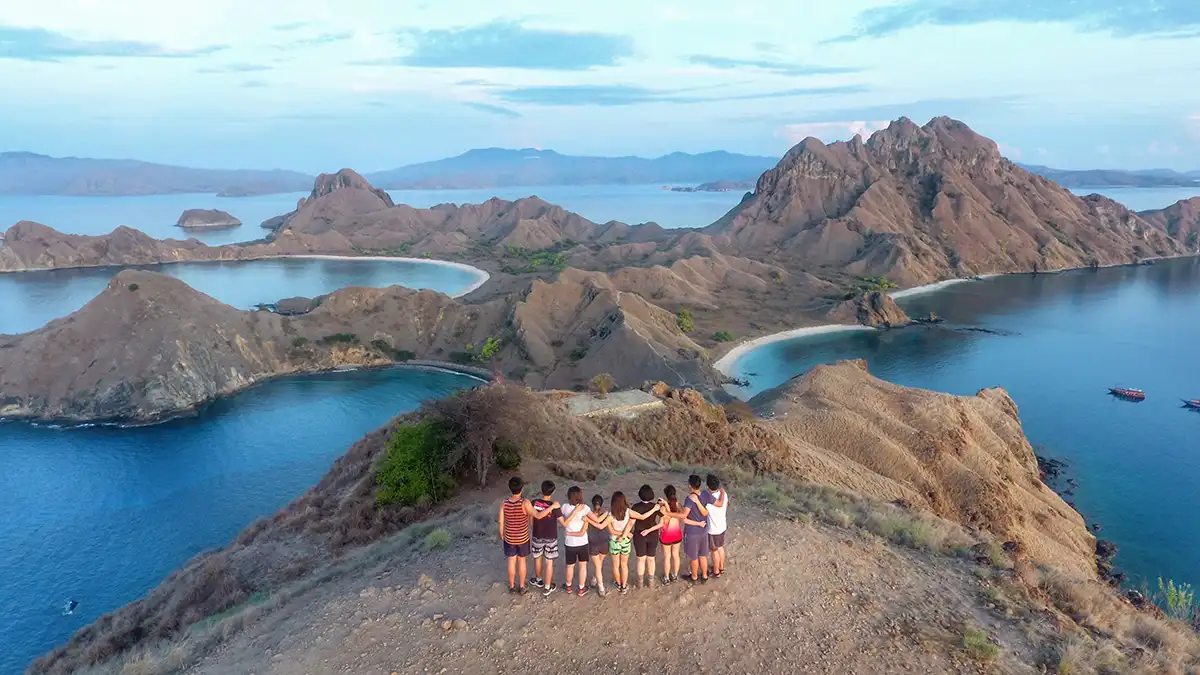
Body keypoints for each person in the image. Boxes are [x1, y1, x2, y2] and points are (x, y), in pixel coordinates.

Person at [498, 476, 555, 594]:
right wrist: (552, 507)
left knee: (511, 561)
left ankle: (512, 586)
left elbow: (501, 521)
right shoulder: (525, 503)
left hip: (509, 538)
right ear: (522, 488)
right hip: (522, 537)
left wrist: (501, 533)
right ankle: (522, 586)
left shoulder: (504, 504)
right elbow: (538, 516)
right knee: (522, 561)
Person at [529, 480, 562, 596]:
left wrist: (535, 530)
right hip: (551, 537)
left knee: (537, 558)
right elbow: (563, 522)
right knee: (549, 562)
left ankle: (538, 579)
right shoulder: (555, 506)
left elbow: (532, 520)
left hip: (537, 535)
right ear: (553, 491)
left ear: (541, 489)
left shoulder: (534, 503)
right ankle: (547, 587)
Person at [559, 486, 592, 597]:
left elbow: (563, 520)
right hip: (582, 542)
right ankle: (581, 588)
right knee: (583, 566)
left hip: (570, 543)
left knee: (570, 566)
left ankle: (568, 586)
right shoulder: (585, 508)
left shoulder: (564, 507)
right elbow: (593, 519)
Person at [628, 484, 663, 589]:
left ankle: (640, 582)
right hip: (652, 534)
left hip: (639, 535)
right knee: (651, 559)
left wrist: (629, 532)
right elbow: (663, 517)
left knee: (640, 559)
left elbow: (631, 522)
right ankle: (651, 582)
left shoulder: (635, 507)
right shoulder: (655, 507)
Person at [682, 474, 715, 584]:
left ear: (690, 485)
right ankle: (705, 576)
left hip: (692, 533)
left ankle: (694, 577)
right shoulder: (705, 494)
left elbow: (684, 517)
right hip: (704, 532)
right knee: (703, 555)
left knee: (693, 557)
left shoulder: (689, 499)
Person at [656, 485, 690, 584]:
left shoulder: (663, 508)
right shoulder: (678, 505)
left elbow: (664, 516)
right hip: (677, 534)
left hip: (666, 536)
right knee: (676, 555)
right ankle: (674, 575)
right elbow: (682, 514)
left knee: (667, 556)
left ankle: (666, 578)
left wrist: (665, 504)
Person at [606, 491, 634, 594]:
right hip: (625, 541)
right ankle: (624, 585)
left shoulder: (610, 515)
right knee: (624, 565)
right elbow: (633, 521)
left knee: (615, 566)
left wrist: (620, 534)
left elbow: (612, 531)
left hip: (614, 541)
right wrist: (626, 534)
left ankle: (618, 583)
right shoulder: (628, 512)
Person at [584, 494, 612, 596]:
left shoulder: (588, 515)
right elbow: (601, 522)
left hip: (593, 543)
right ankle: (595, 579)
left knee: (597, 565)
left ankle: (601, 587)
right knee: (599, 563)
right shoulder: (606, 513)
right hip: (604, 542)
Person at [705, 474, 729, 578]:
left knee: (714, 551)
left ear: (707, 486)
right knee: (720, 548)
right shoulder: (724, 495)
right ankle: (721, 567)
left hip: (712, 529)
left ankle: (716, 571)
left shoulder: (707, 500)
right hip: (722, 526)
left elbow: (704, 513)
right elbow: (726, 505)